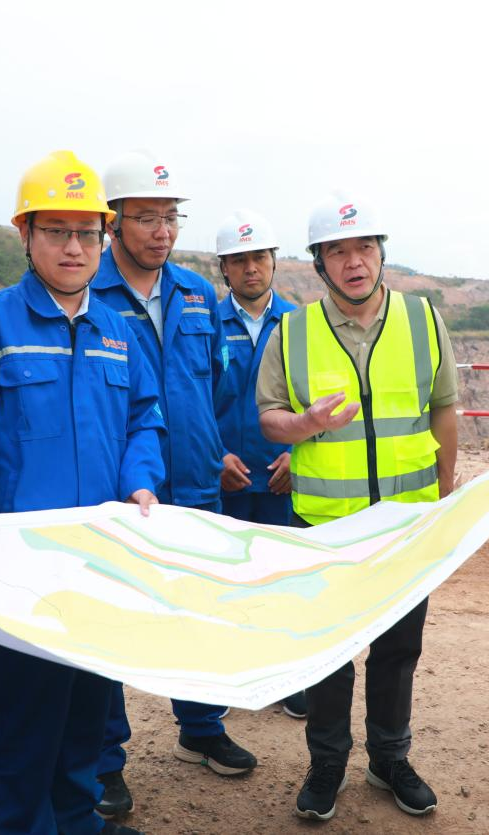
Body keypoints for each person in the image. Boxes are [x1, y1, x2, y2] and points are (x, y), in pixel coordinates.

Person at [0, 150, 161, 835]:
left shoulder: (118, 332)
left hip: (99, 562)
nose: (74, 247)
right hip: (21, 571)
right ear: (25, 235)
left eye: (87, 233)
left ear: (104, 240)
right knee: (27, 719)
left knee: (88, 711)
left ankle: (77, 821)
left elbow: (145, 417)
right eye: (56, 231)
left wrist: (140, 480)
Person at [258, 192, 458, 821]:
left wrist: (444, 494)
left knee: (398, 650)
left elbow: (443, 409)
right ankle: (327, 763)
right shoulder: (292, 333)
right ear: (319, 262)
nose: (354, 262)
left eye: (364, 247)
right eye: (338, 251)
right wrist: (305, 424)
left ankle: (389, 758)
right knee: (328, 653)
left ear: (381, 253)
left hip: (406, 525)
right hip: (325, 526)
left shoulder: (423, 320)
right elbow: (269, 418)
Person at [90, 151, 257, 820]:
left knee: (197, 609)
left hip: (196, 480)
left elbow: (210, 385)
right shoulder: (90, 294)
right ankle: (105, 760)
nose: (162, 232)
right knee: (111, 621)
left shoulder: (195, 294)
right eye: (147, 218)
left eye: (170, 217)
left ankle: (201, 726)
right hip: (123, 493)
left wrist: (215, 450)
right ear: (114, 222)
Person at [211, 209, 307, 720]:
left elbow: (316, 402)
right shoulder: (204, 324)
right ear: (224, 268)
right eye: (240, 260)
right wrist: (213, 456)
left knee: (283, 578)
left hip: (279, 480)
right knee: (224, 581)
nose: (251, 268)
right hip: (224, 479)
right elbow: (194, 400)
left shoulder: (301, 325)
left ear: (274, 261)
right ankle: (229, 676)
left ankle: (287, 678)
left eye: (260, 258)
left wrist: (298, 454)